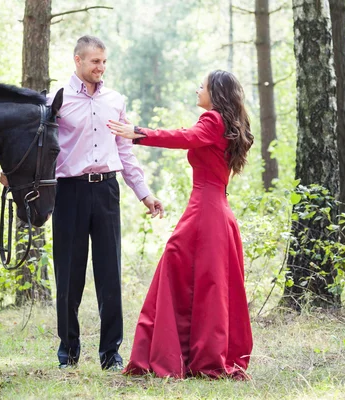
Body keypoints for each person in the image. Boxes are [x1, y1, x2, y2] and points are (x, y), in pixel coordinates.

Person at [107, 70, 254, 379]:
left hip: (206, 213)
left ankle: (189, 356)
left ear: (215, 93)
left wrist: (140, 132)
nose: (197, 90)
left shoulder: (213, 120)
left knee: (184, 274)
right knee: (204, 282)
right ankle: (193, 354)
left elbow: (184, 137)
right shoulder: (225, 122)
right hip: (214, 211)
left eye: (201, 86)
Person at [49, 35, 164, 371]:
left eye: (104, 62)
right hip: (69, 191)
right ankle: (68, 352)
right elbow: (44, 146)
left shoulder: (115, 100)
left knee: (110, 273)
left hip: (107, 192)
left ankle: (110, 354)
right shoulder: (58, 99)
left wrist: (144, 193)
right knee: (69, 275)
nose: (100, 68)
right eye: (94, 61)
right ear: (78, 60)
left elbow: (125, 151)